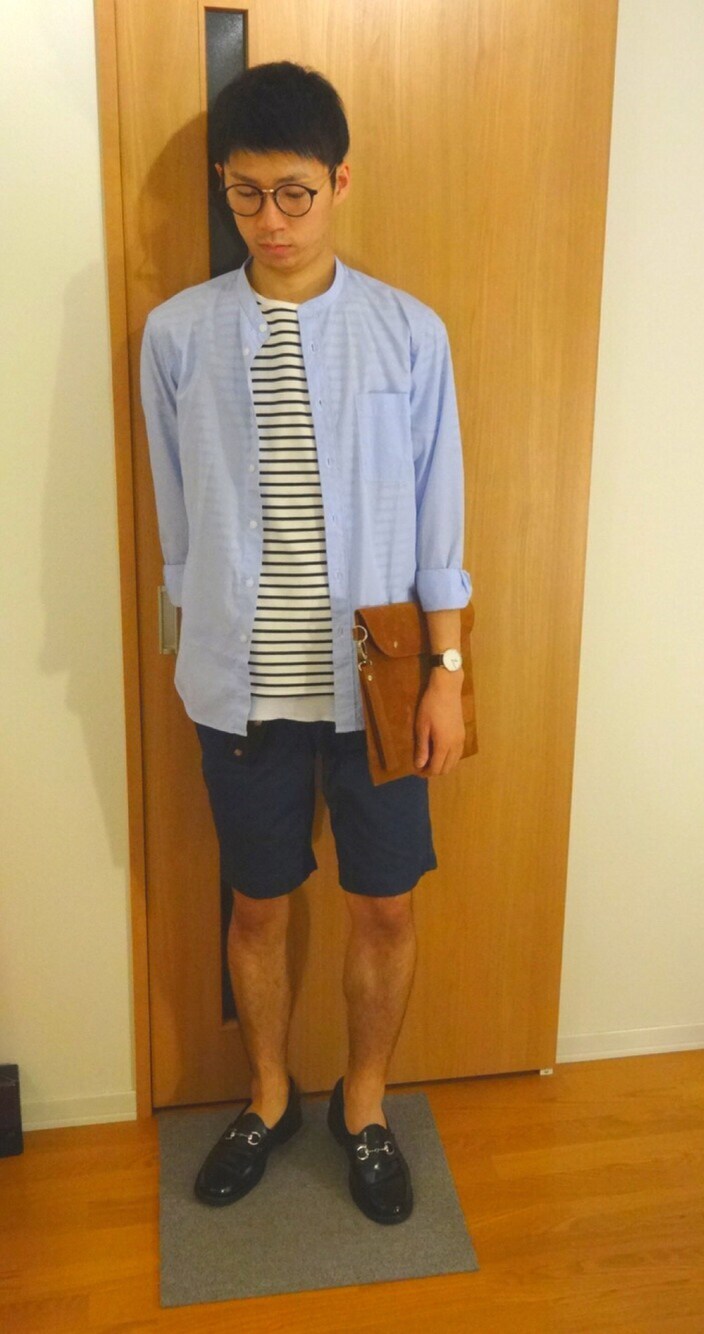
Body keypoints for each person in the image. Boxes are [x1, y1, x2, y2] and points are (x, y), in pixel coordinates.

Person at [139, 60, 472, 1225]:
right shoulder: (177, 336)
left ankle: (363, 1103)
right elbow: (176, 521)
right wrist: (188, 648)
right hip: (240, 685)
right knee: (257, 905)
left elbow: (439, 519)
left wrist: (446, 674)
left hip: (379, 682)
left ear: (339, 181)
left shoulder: (406, 333)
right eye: (246, 195)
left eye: (294, 193)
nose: (271, 220)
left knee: (385, 904)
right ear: (222, 188)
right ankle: (270, 1093)